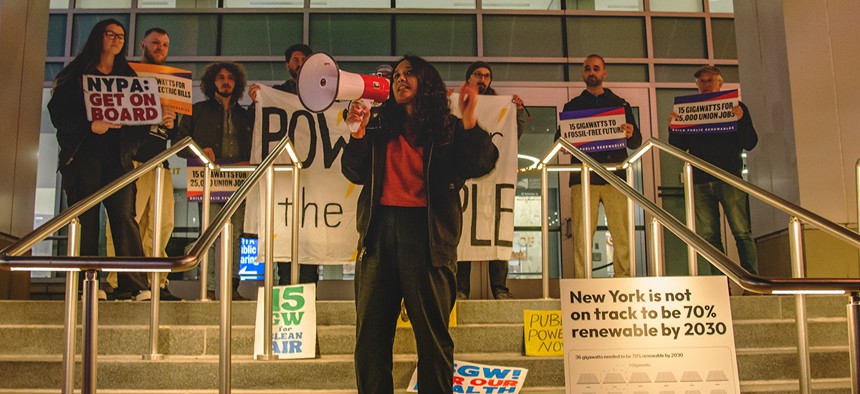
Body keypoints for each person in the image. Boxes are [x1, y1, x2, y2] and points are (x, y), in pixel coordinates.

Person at [341, 55, 498, 394]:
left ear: (427, 81)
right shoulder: (379, 124)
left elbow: (481, 163)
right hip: (378, 238)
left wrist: (469, 119)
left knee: (433, 342)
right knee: (369, 343)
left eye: (409, 73)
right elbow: (353, 171)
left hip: (428, 240)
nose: (400, 79)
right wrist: (357, 133)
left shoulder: (449, 127)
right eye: (396, 74)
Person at [47, 18, 149, 300]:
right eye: (110, 34)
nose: (116, 39)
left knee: (124, 218)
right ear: (98, 37)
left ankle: (135, 284)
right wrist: (89, 125)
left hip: (118, 158)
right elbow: (58, 115)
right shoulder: (75, 75)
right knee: (86, 220)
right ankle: (87, 285)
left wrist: (139, 134)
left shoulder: (128, 77)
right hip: (83, 157)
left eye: (121, 36)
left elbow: (141, 120)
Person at [105, 27, 179, 301]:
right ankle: (117, 279)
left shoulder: (172, 82)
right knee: (128, 219)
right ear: (143, 45)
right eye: (156, 43)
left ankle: (156, 281)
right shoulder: (128, 75)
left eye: (165, 44)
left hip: (161, 161)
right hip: (134, 158)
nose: (161, 48)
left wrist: (171, 125)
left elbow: (173, 132)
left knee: (161, 223)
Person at [557, 54, 642, 278]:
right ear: (582, 74)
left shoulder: (620, 105)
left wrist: (631, 132)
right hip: (583, 178)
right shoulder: (572, 106)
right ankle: (583, 283)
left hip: (615, 177)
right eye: (587, 69)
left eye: (596, 68)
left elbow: (636, 142)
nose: (591, 72)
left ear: (604, 72)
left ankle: (623, 280)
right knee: (582, 236)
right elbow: (560, 142)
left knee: (622, 234)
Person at [668, 65, 759, 275]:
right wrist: (674, 126)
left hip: (729, 177)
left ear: (720, 82)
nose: (706, 85)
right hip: (700, 180)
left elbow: (750, 143)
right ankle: (720, 283)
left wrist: (740, 121)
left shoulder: (737, 107)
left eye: (710, 80)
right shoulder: (689, 111)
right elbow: (678, 147)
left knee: (741, 232)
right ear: (697, 85)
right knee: (710, 236)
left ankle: (751, 281)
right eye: (702, 81)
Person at [175, 62, 253, 300]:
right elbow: (179, 144)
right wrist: (199, 151)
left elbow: (259, 143)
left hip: (239, 179)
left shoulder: (247, 114)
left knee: (237, 234)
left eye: (230, 77)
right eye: (220, 77)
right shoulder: (196, 110)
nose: (225, 81)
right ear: (212, 82)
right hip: (209, 180)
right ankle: (208, 288)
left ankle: (231, 287)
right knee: (209, 234)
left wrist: (249, 160)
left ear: (237, 83)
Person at [248, 43, 319, 286]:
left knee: (311, 235)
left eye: (304, 60)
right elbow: (257, 123)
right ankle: (285, 288)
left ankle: (309, 291)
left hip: (313, 176)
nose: (300, 64)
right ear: (287, 65)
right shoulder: (275, 93)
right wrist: (258, 100)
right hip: (284, 177)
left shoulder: (325, 93)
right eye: (295, 60)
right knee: (284, 230)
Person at [455, 61, 526, 300]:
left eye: (487, 76)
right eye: (477, 74)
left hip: (495, 180)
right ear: (468, 78)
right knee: (463, 234)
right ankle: (460, 289)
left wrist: (517, 112)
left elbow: (512, 137)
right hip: (465, 181)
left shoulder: (501, 106)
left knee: (497, 229)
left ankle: (500, 288)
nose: (482, 79)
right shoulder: (457, 101)